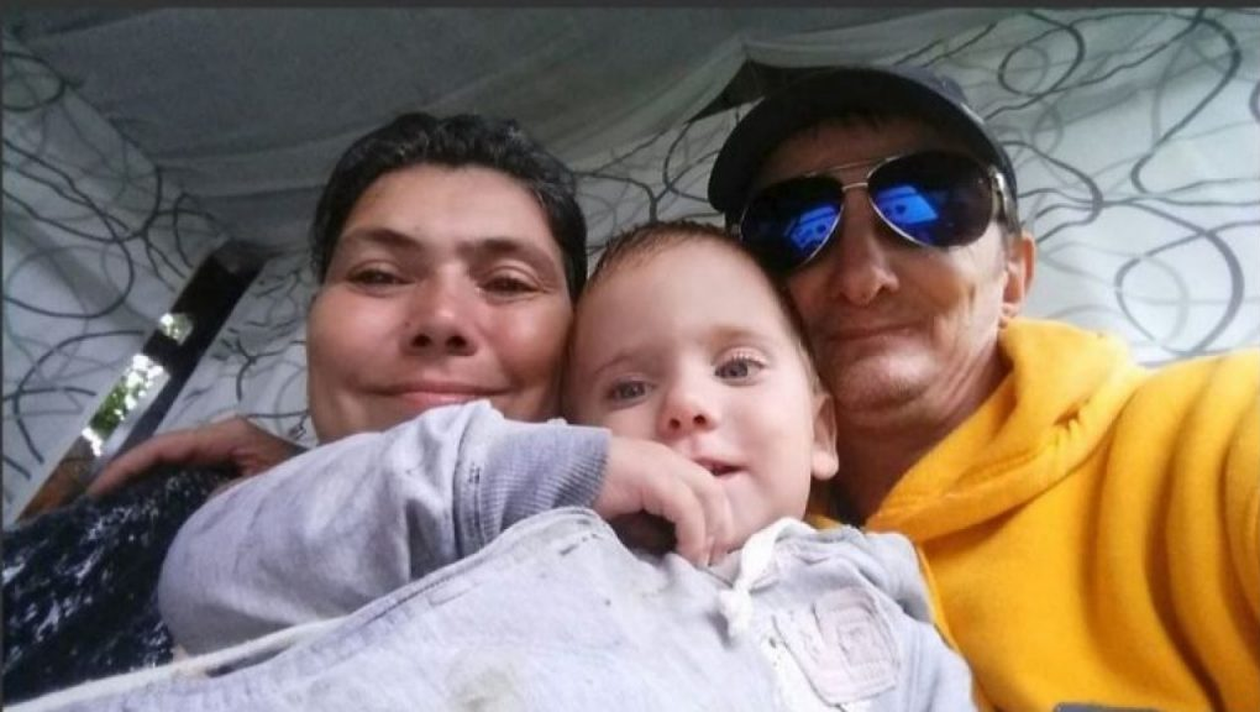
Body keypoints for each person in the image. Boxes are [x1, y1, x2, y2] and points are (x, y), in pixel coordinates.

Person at [26, 220, 976, 711]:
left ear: (821, 431)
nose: (688, 405)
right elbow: (206, 577)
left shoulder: (886, 622)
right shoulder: (532, 527)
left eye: (737, 368)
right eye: (627, 387)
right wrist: (525, 475)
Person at [3, 111, 666, 702]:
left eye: (508, 282)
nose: (440, 318)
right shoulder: (143, 530)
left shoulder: (672, 556)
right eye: (378, 275)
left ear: (578, 342)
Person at [705, 64, 1259, 711]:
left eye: (930, 204)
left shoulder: (1216, 434)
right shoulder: (716, 544)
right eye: (792, 227)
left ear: (1014, 278)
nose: (861, 277)